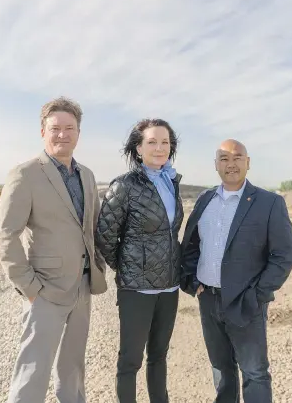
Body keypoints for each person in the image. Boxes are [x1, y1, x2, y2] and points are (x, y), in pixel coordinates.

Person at [0, 96, 107, 403]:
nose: (62, 134)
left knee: (73, 370)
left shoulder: (88, 176)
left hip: (82, 288)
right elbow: (5, 235)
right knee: (33, 371)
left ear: (78, 134)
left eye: (70, 128)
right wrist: (29, 287)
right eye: (55, 128)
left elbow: (93, 228)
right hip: (45, 290)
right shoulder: (25, 174)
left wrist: (97, 266)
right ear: (42, 131)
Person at [180, 139, 292, 403]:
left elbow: (282, 256)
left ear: (248, 162)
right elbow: (191, 244)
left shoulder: (269, 203)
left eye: (237, 157)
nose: (230, 164)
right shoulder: (204, 200)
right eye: (224, 158)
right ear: (216, 165)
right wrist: (191, 281)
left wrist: (258, 295)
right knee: (221, 370)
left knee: (254, 372)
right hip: (208, 299)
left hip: (246, 302)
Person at [95, 118, 184, 403]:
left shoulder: (172, 182)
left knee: (159, 357)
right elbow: (105, 237)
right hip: (137, 289)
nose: (159, 148)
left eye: (165, 142)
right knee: (130, 361)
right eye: (152, 142)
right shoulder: (124, 186)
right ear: (138, 148)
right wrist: (128, 268)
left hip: (169, 288)